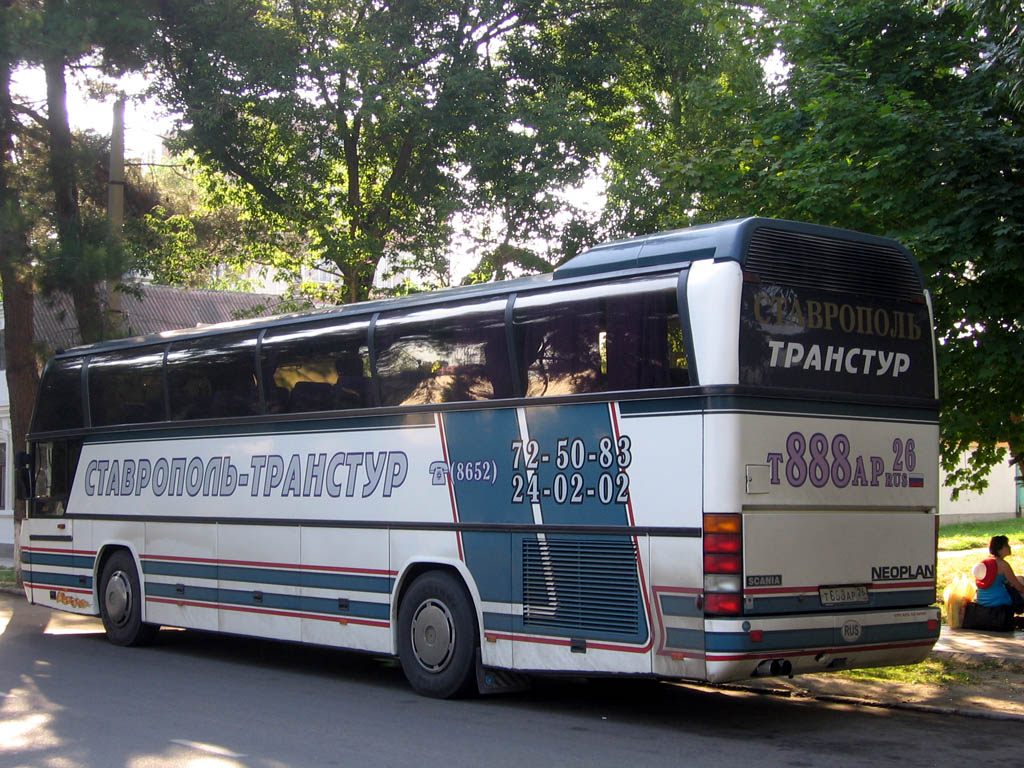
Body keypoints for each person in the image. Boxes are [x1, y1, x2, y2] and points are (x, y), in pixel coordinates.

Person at [973, 535, 1024, 614]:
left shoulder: (985, 563)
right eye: (1006, 545)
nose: (1009, 547)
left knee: (1019, 578)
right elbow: (1018, 587)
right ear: (1000, 548)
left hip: (982, 601)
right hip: (999, 602)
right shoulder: (1002, 565)